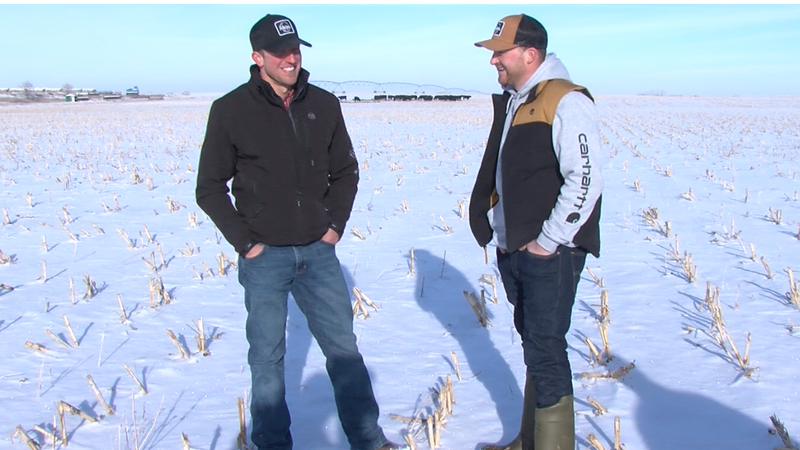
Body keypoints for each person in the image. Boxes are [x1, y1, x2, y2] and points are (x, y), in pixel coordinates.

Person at [195, 13, 405, 450]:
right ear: (257, 58)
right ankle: (272, 444)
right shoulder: (230, 110)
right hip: (264, 256)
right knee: (267, 359)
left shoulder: (323, 104)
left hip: (317, 252)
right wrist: (246, 243)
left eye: (295, 50)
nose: (291, 59)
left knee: (343, 351)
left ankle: (369, 440)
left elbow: (346, 171)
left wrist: (334, 226)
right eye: (280, 53)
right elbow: (209, 187)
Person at [468, 13, 603, 450]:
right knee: (536, 348)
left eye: (500, 53)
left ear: (530, 54)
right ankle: (529, 440)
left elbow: (585, 180)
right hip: (517, 249)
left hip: (551, 253)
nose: (493, 61)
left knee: (546, 349)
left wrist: (547, 242)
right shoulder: (519, 100)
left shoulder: (565, 101)